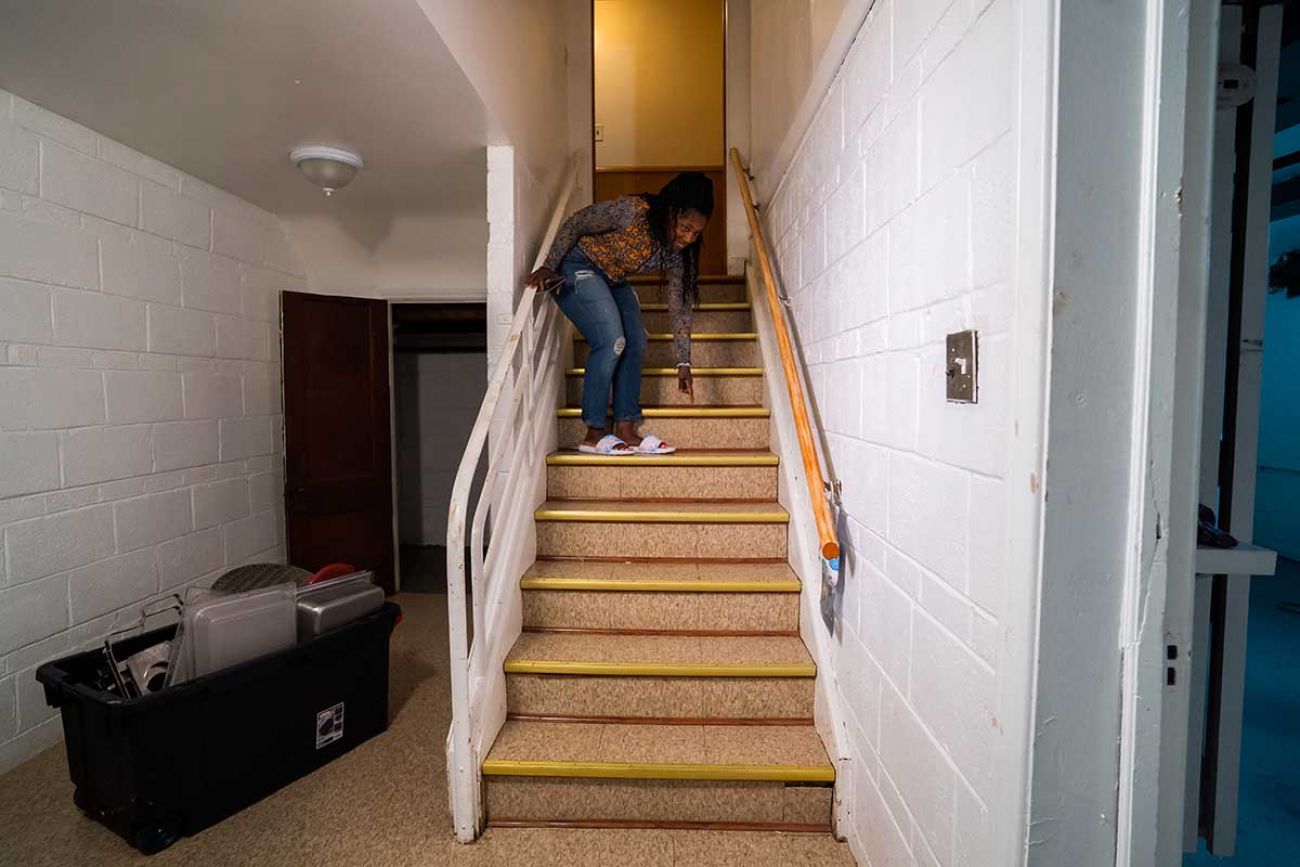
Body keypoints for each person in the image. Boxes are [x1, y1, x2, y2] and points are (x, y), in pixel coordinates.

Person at [527, 171, 713, 455]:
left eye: (696, 233)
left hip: (613, 278)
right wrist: (550, 265)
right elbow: (577, 222)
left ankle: (626, 429)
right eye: (685, 227)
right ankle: (593, 433)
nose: (688, 238)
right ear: (671, 212)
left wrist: (683, 362)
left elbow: (679, 306)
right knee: (613, 339)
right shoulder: (632, 212)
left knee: (636, 340)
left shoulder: (678, 253)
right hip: (577, 266)